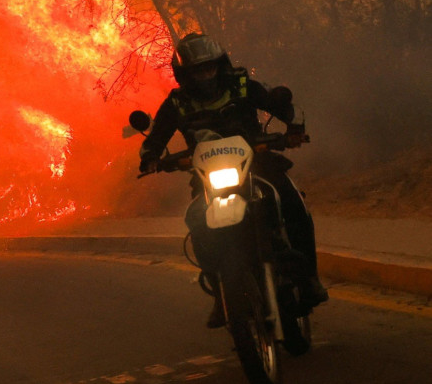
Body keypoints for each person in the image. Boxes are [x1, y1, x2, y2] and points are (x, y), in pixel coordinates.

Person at [138, 32, 328, 328]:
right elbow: (158, 135)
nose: (205, 76)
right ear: (185, 75)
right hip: (207, 177)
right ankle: (222, 294)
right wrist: (150, 156)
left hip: (258, 163)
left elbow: (277, 104)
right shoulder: (177, 103)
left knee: (292, 202)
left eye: (209, 68)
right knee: (197, 220)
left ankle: (310, 279)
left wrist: (291, 125)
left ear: (220, 65)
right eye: (197, 71)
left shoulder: (242, 84)